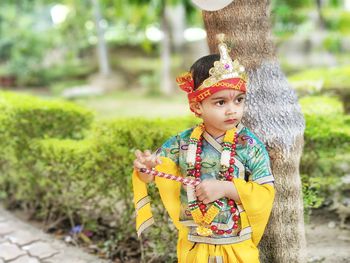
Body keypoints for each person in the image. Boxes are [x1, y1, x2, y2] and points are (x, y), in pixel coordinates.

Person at [132, 36, 275, 263]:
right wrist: (145, 169)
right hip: (194, 246)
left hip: (237, 246)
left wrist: (227, 188)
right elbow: (152, 176)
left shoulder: (249, 145)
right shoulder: (181, 143)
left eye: (239, 100)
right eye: (221, 102)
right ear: (197, 105)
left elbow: (266, 192)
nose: (232, 111)